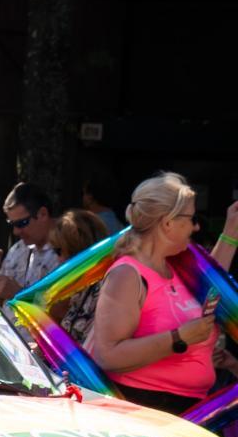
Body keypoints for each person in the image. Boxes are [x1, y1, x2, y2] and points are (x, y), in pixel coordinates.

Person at [91, 172, 217, 416]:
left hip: (185, 409)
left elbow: (213, 281)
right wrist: (179, 338)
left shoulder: (173, 266)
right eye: (192, 218)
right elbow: (108, 355)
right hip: (146, 410)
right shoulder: (127, 274)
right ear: (168, 223)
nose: (196, 226)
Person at [0, 182, 58, 303]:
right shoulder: (17, 250)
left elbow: (60, 309)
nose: (16, 231)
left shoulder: (66, 251)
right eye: (12, 224)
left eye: (21, 223)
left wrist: (18, 294)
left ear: (43, 214)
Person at [48, 209, 107, 345]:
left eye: (58, 251)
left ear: (75, 249)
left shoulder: (105, 287)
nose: (58, 259)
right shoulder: (77, 286)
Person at [82, 172, 123, 236]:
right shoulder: (120, 227)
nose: (83, 197)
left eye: (84, 193)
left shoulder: (88, 227)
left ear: (90, 197)